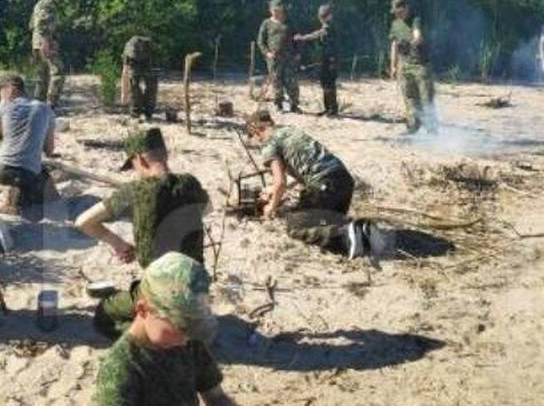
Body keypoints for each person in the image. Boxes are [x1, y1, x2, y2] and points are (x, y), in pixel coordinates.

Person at [75, 127, 209, 339]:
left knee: (104, 315)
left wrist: (117, 243)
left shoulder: (134, 192)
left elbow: (83, 221)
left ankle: (151, 333)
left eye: (133, 165)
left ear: (139, 159)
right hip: (197, 289)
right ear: (165, 153)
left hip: (160, 294)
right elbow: (205, 209)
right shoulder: (190, 183)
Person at [93, 252, 235, 406]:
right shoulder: (120, 370)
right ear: (143, 309)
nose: (184, 338)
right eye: (180, 325)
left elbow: (216, 397)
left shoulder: (189, 341)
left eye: (193, 325)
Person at [244, 110, 385, 260]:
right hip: (344, 182)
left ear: (257, 130)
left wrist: (270, 207)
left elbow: (281, 182)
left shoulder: (269, 144)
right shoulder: (290, 131)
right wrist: (272, 190)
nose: (257, 140)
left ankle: (348, 237)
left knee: (296, 227)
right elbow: (301, 171)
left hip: (324, 186)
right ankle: (361, 231)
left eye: (253, 136)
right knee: (324, 221)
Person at [0, 74, 59, 219]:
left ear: (8, 88)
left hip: (2, 171)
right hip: (30, 173)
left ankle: (13, 200)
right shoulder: (46, 110)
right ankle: (29, 193)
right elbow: (49, 150)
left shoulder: (4, 105)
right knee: (32, 160)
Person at [389, 0, 437, 134]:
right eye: (396, 12)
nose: (398, 14)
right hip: (404, 65)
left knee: (426, 97)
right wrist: (393, 65)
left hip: (421, 65)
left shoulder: (416, 19)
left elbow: (418, 36)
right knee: (409, 97)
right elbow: (393, 45)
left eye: (400, 11)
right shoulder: (395, 24)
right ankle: (413, 126)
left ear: (406, 8)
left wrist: (411, 43)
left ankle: (432, 130)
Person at [294, 3, 339, 116]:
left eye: (324, 15)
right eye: (321, 15)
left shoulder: (329, 28)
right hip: (326, 60)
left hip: (331, 61)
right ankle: (328, 109)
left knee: (329, 85)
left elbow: (316, 35)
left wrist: (301, 38)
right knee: (325, 85)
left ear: (330, 16)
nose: (321, 18)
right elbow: (317, 33)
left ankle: (332, 110)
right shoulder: (326, 27)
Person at [256, 0, 300, 112]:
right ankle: (278, 104)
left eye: (278, 10)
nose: (276, 12)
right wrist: (267, 53)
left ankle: (294, 105)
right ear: (270, 10)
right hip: (274, 59)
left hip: (289, 58)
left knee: (292, 82)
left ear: (282, 10)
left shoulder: (289, 22)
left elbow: (297, 39)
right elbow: (261, 41)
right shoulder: (266, 23)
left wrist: (298, 53)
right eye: (274, 10)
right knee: (276, 82)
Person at [30, 0, 66, 108]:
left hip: (38, 41)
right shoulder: (47, 4)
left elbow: (33, 25)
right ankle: (51, 105)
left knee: (42, 75)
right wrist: (46, 42)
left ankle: (38, 105)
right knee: (57, 72)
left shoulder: (42, 3)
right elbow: (42, 24)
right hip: (44, 41)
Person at [121, 35, 158, 120]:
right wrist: (123, 94)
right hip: (136, 59)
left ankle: (148, 111)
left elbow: (153, 83)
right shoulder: (129, 51)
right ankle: (136, 111)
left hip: (149, 59)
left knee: (151, 85)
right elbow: (125, 72)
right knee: (134, 84)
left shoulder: (151, 49)